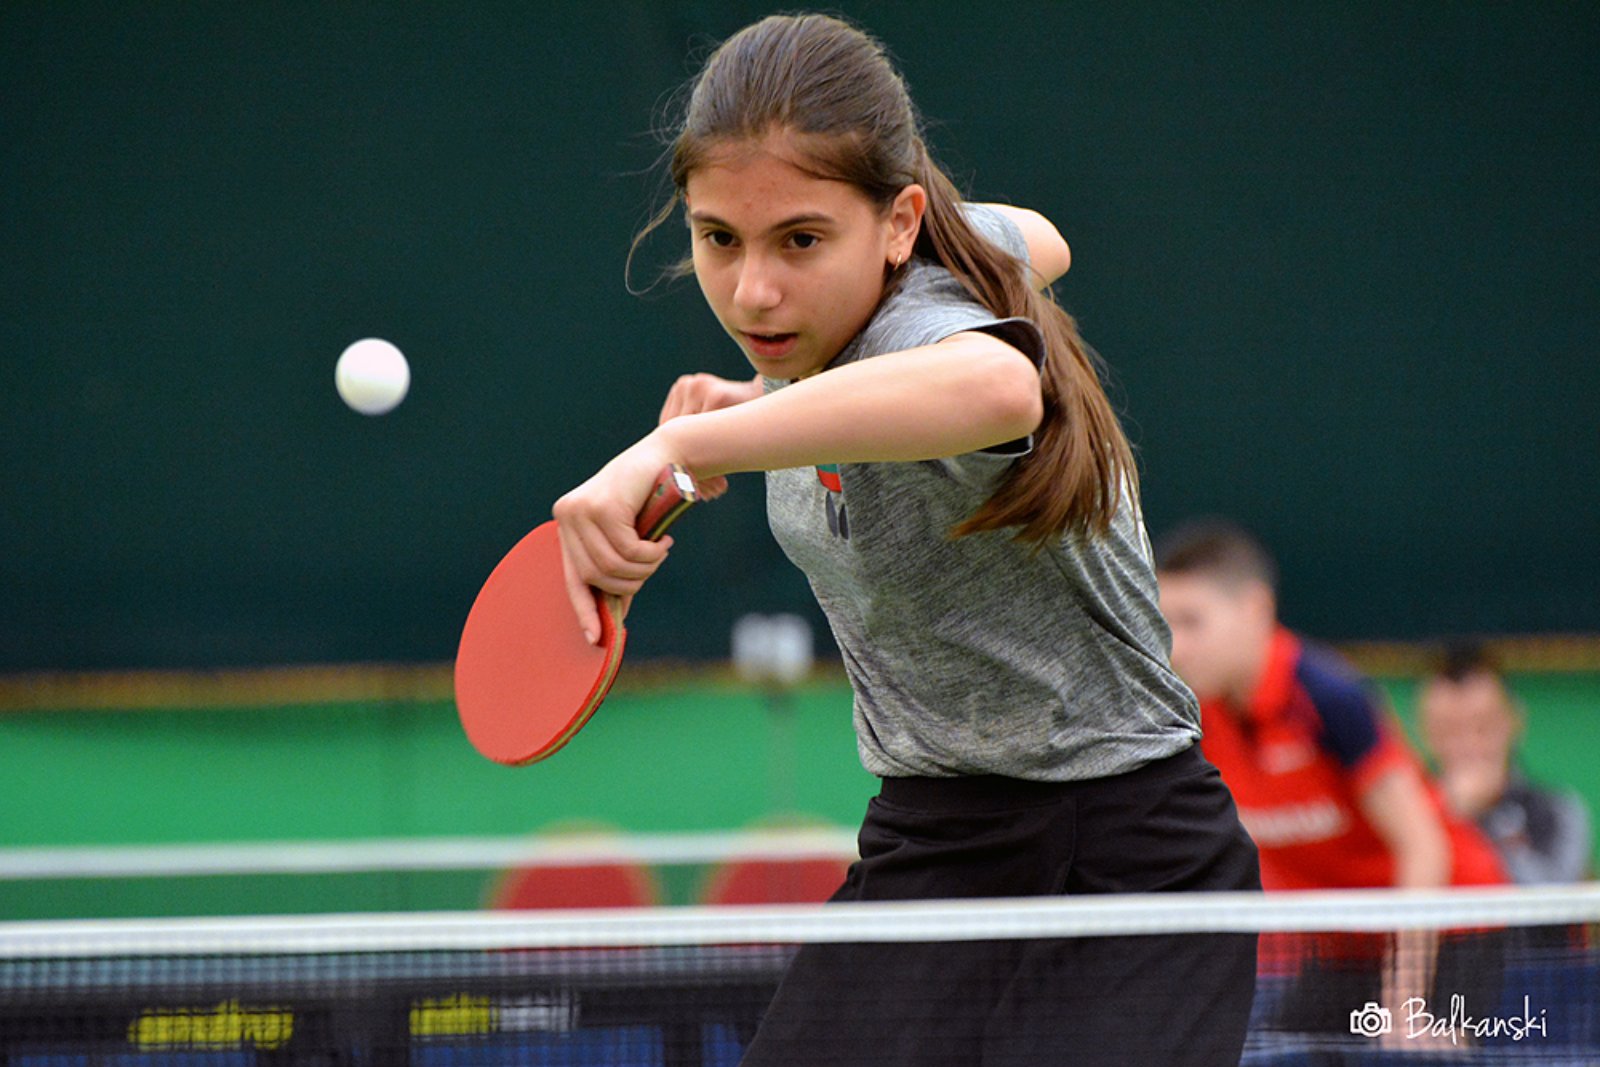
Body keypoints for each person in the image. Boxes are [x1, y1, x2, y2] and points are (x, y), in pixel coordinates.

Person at [550, 13, 1259, 1066]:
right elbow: (1041, 237)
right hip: (935, 838)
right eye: (718, 238)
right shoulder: (855, 328)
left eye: (801, 240)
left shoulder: (930, 329)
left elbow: (996, 383)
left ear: (900, 223)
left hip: (1122, 853)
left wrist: (687, 441)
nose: (752, 289)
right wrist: (762, 396)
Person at [1152, 518, 1505, 1039]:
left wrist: (1405, 1003)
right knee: (1272, 1049)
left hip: (1449, 927)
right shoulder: (1191, 712)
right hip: (1345, 944)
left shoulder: (1326, 696)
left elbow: (1422, 844)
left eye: (1192, 621)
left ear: (1255, 609)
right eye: (1166, 624)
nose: (1176, 646)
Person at [1418, 639, 1592, 884]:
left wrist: (1482, 820)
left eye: (1483, 728)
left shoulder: (1557, 812)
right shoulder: (1403, 816)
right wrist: (1443, 815)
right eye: (1449, 731)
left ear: (1513, 720)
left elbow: (1552, 898)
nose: (1468, 746)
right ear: (1425, 732)